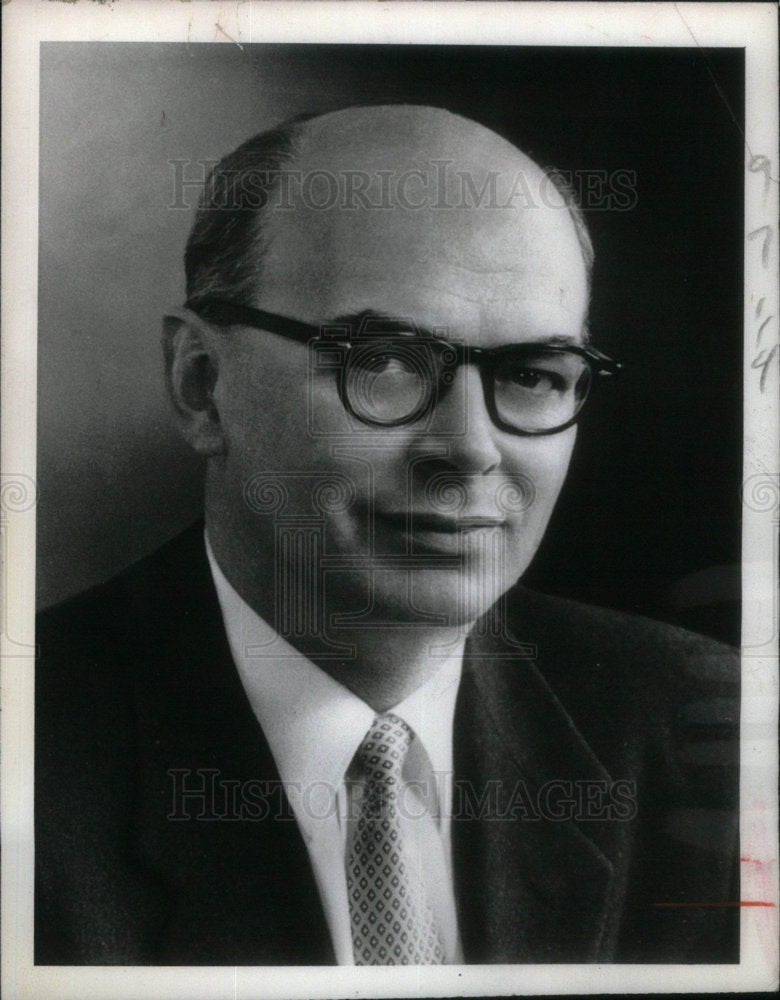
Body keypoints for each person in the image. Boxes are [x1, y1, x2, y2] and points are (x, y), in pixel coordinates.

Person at [35, 105, 739, 966]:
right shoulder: (27, 761)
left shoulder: (713, 740)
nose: (471, 451)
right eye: (386, 360)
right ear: (201, 384)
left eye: (530, 374)